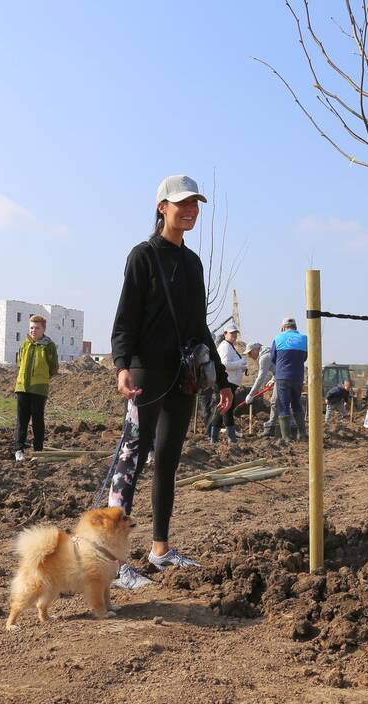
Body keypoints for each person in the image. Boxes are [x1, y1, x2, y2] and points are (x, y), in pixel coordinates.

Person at [110, 174, 232, 590]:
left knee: (167, 460)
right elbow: (126, 315)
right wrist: (122, 364)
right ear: (162, 206)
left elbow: (200, 325)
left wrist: (223, 378)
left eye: (195, 204)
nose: (190, 210)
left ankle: (160, 550)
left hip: (184, 376)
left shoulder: (193, 263)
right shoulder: (143, 256)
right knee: (131, 461)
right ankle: (114, 560)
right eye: (182, 204)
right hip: (146, 370)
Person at [14, 314, 59, 461]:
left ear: (43, 329)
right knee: (22, 419)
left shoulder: (49, 346)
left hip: (39, 389)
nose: (33, 330)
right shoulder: (24, 344)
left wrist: (42, 378)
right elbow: (19, 363)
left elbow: (53, 367)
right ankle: (19, 449)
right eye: (31, 327)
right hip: (22, 387)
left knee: (38, 420)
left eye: (37, 328)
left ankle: (38, 451)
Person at [270, 317, 307, 442]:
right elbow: (305, 357)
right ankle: (302, 433)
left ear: (283, 327)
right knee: (296, 403)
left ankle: (286, 437)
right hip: (298, 376)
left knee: (284, 405)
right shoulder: (304, 338)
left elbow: (273, 357)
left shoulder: (278, 338)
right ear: (295, 327)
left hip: (283, 376)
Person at [210, 324, 247, 444]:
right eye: (232, 333)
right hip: (227, 382)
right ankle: (231, 438)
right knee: (227, 410)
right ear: (225, 334)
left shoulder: (230, 347)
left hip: (230, 382)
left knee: (222, 410)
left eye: (235, 333)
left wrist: (241, 366)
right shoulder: (225, 346)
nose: (234, 336)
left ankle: (214, 438)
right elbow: (224, 364)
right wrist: (240, 363)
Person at [244, 343, 279, 436]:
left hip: (282, 378)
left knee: (275, 402)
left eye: (250, 353)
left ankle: (271, 428)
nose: (249, 356)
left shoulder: (264, 357)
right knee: (280, 402)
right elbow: (278, 366)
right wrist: (273, 379)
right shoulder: (269, 352)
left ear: (256, 349)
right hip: (282, 376)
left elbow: (261, 377)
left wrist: (251, 394)